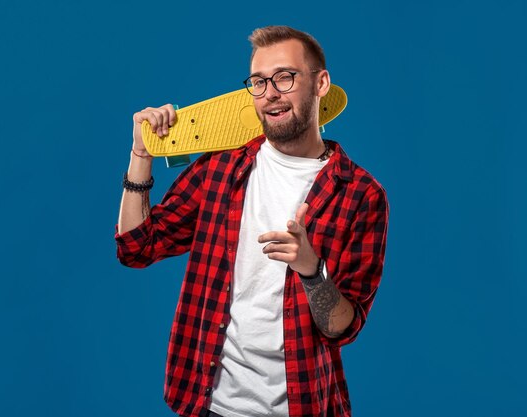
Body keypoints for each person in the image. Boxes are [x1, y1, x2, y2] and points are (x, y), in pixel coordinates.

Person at [116, 25, 389, 417]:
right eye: (259, 82)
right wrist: (141, 155)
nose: (270, 93)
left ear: (321, 83)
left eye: (285, 77)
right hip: (209, 404)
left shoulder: (361, 195)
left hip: (304, 404)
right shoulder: (222, 169)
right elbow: (136, 247)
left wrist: (312, 270)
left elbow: (342, 328)